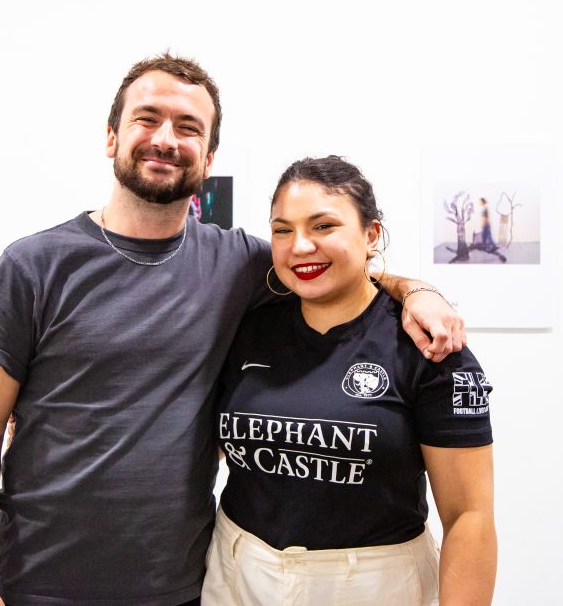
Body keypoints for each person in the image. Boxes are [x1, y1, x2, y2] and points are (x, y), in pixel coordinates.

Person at [0, 53, 467, 606]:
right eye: (147, 119)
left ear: (208, 155)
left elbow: (332, 267)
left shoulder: (238, 264)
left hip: (180, 588)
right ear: (110, 137)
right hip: (33, 584)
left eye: (188, 127)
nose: (166, 139)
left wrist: (417, 290)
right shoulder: (35, 266)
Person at [202, 156, 495, 606]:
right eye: (282, 230)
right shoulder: (246, 328)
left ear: (371, 235)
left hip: (374, 584)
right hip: (238, 573)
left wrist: (416, 290)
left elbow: (468, 517)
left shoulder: (427, 347)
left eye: (323, 226)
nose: (300, 246)